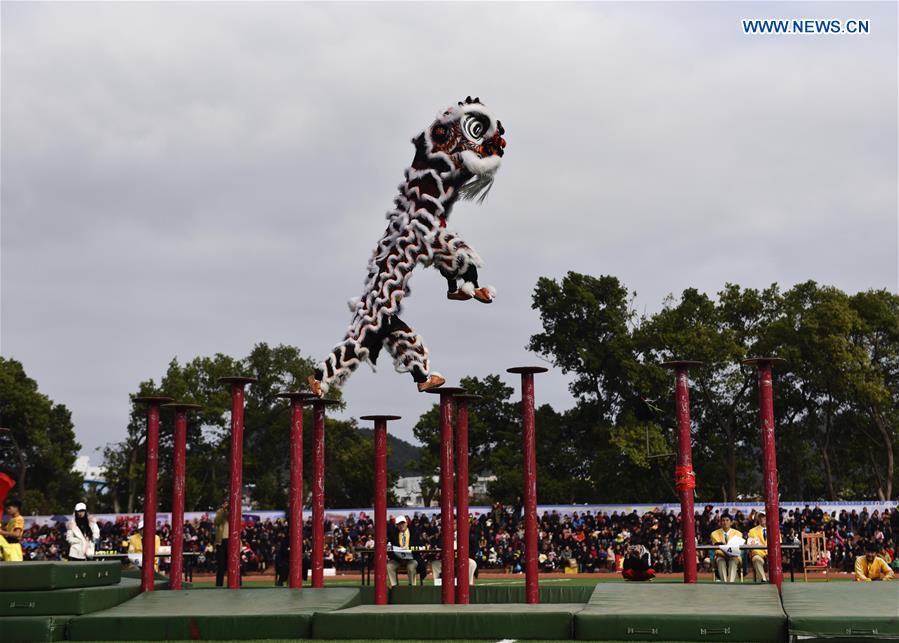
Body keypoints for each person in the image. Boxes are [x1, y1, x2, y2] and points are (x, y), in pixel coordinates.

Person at [387, 515, 418, 587]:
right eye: (399, 524)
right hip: (398, 559)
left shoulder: (414, 532)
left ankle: (412, 587)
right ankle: (394, 586)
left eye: (402, 523)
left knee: (411, 567)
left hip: (412, 558)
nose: (401, 526)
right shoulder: (393, 534)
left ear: (406, 523)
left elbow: (419, 545)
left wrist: (409, 550)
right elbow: (390, 548)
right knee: (389, 566)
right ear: (397, 526)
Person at [710, 514, 743, 583]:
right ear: (720, 522)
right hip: (720, 556)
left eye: (727, 520)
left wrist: (726, 549)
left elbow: (737, 549)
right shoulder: (714, 534)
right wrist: (728, 552)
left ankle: (730, 583)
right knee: (720, 560)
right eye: (723, 520)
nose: (725, 522)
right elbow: (717, 550)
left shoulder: (738, 533)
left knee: (733, 560)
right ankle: (724, 583)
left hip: (734, 556)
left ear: (731, 522)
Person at [747, 512, 769, 583]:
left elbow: (779, 543)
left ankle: (771, 579)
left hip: (771, 555)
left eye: (764, 516)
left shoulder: (774, 529)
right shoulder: (752, 531)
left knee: (774, 558)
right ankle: (763, 580)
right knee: (756, 558)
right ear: (758, 519)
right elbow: (751, 546)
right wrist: (763, 554)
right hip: (759, 555)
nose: (762, 519)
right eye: (760, 517)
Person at [214, 500, 229, 587]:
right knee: (221, 564)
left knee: (234, 563)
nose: (226, 505)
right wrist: (223, 510)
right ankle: (219, 585)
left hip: (231, 540)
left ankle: (237, 583)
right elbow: (217, 522)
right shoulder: (220, 511)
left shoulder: (234, 511)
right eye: (225, 503)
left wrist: (229, 510)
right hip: (221, 540)